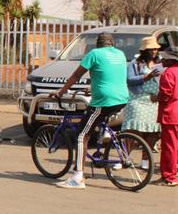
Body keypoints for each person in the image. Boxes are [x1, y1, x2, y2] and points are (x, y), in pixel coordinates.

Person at [51, 32, 129, 189]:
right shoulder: (120, 54)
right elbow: (108, 76)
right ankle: (105, 140)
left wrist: (61, 91)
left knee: (82, 135)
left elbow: (76, 75)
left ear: (97, 44)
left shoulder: (94, 54)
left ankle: (77, 177)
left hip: (103, 101)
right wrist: (92, 89)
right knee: (97, 125)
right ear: (111, 44)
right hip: (121, 99)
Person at [121, 36, 162, 163]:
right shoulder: (136, 63)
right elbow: (129, 79)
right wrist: (146, 77)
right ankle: (124, 158)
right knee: (134, 131)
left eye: (155, 49)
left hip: (154, 101)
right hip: (138, 100)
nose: (154, 52)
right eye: (151, 49)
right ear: (144, 50)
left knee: (152, 132)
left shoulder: (160, 63)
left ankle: (145, 160)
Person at [151, 47, 178, 186]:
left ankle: (169, 177)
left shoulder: (168, 73)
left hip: (171, 114)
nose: (162, 61)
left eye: (164, 58)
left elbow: (166, 94)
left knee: (169, 147)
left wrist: (156, 98)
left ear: (169, 59)